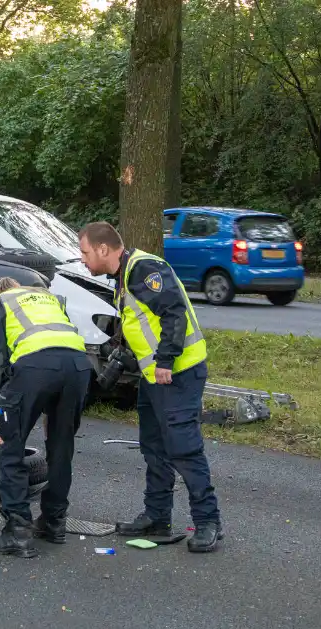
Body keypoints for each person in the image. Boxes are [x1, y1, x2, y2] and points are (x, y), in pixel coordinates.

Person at [78, 221, 223, 553]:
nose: (82, 259)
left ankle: (208, 522)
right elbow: (142, 322)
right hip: (155, 378)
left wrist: (165, 361)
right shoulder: (124, 276)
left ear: (103, 249)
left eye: (85, 252)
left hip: (177, 374)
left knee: (184, 449)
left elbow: (174, 313)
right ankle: (157, 516)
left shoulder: (144, 269)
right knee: (154, 448)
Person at [0, 276, 93, 558]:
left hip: (35, 367)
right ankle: (54, 522)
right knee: (61, 446)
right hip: (78, 367)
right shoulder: (49, 299)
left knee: (10, 447)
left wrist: (0, 416)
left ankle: (17, 531)